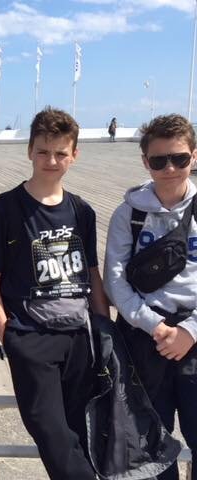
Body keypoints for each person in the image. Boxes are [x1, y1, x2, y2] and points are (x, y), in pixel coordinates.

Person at [0, 107, 109, 480]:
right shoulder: (6, 208)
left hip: (80, 336)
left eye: (60, 153)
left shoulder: (82, 211)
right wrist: (9, 334)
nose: (51, 161)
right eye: (43, 152)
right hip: (31, 336)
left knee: (80, 431)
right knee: (49, 430)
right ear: (30, 151)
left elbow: (92, 274)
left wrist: (104, 328)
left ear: (74, 155)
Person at [104, 113, 197, 480]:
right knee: (151, 444)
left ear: (194, 156)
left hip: (194, 335)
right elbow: (115, 282)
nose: (170, 168)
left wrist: (190, 331)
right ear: (146, 162)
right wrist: (155, 326)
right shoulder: (128, 214)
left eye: (180, 158)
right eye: (159, 161)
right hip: (145, 339)